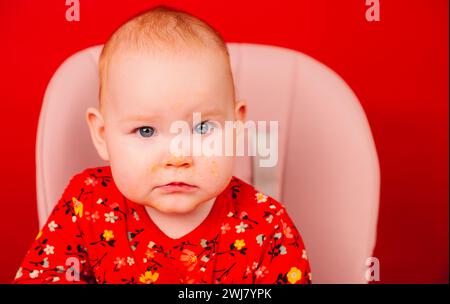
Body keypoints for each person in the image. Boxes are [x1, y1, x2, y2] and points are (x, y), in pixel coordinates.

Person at [13, 5, 311, 284]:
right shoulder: (86, 205)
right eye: (145, 130)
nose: (177, 156)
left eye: (202, 127)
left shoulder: (268, 227)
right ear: (102, 135)